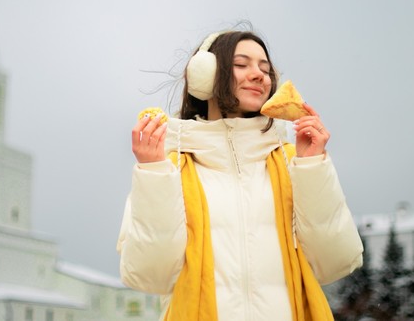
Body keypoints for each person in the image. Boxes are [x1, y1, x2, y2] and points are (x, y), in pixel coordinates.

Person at [116, 28, 363, 321]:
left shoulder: (293, 161)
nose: (259, 75)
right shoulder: (168, 169)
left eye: (265, 68)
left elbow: (335, 262)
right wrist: (153, 172)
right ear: (205, 76)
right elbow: (149, 276)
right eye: (241, 64)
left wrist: (313, 166)